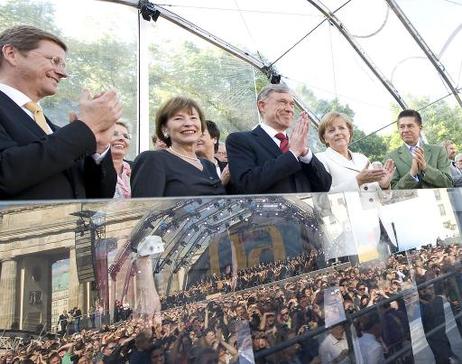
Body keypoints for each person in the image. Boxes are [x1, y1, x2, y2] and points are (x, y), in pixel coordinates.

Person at [0, 25, 121, 200]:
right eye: (54, 60)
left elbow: (98, 196)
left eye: (63, 65)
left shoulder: (52, 129)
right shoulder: (67, 136)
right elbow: (6, 173)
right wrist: (87, 126)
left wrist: (98, 146)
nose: (63, 73)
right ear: (11, 53)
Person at [226, 84, 331, 194]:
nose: (289, 109)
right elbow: (246, 185)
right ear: (262, 106)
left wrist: (305, 154)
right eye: (282, 102)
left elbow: (324, 186)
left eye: (292, 104)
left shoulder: (297, 145)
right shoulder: (240, 140)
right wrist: (293, 154)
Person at [131, 96, 225, 197]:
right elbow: (145, 208)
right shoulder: (153, 159)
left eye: (193, 118)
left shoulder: (209, 165)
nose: (188, 123)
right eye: (179, 118)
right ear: (164, 129)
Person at [315, 112, 394, 193]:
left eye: (342, 128)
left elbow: (384, 199)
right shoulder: (320, 160)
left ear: (349, 133)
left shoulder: (362, 158)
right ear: (325, 138)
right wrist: (358, 181)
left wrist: (384, 186)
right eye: (331, 130)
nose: (338, 133)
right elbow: (325, 197)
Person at [387, 109, 453, 189]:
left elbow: (449, 183)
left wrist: (426, 168)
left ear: (420, 127)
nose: (405, 130)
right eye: (402, 127)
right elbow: (393, 191)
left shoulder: (438, 151)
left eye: (410, 126)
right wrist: (411, 174)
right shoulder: (392, 157)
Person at [196, 120, 231, 186]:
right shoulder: (187, 168)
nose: (196, 139)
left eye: (201, 135)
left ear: (214, 139)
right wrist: (221, 183)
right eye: (194, 135)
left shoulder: (228, 169)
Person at [111, 121, 132, 198]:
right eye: (114, 134)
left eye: (126, 136)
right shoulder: (92, 168)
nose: (121, 138)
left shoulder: (136, 169)